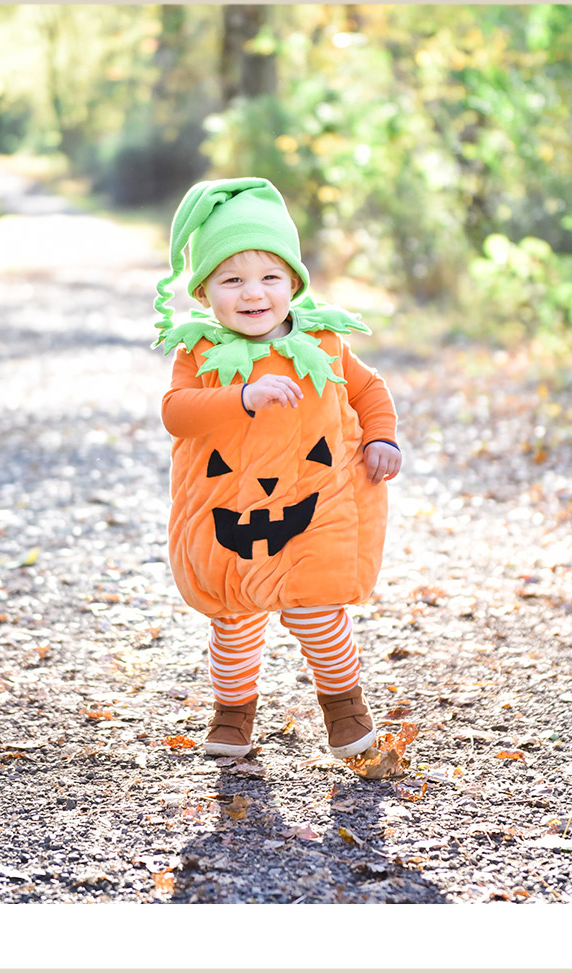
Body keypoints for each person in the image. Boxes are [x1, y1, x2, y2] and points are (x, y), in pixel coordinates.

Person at [153, 177, 401, 760]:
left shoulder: (325, 345)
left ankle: (344, 707)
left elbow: (370, 391)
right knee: (235, 618)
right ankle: (233, 715)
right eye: (231, 280)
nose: (252, 293)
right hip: (230, 509)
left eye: (269, 277)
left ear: (293, 282)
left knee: (318, 608)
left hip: (313, 505)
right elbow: (177, 414)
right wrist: (242, 396)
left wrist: (382, 438)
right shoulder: (200, 354)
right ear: (206, 293)